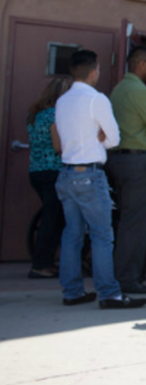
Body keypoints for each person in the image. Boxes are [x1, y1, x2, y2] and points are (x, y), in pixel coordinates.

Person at [54, 49, 145, 309]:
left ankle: (72, 291)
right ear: (94, 71)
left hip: (67, 173)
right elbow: (114, 139)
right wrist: (101, 140)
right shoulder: (97, 100)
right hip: (90, 174)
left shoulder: (62, 101)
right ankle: (109, 293)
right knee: (102, 236)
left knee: (72, 235)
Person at [107, 46, 146, 295]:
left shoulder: (118, 90)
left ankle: (124, 274)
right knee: (137, 224)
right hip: (137, 163)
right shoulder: (141, 92)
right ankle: (128, 278)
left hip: (118, 160)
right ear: (141, 64)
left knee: (125, 223)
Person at [26, 76, 71, 279]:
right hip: (54, 171)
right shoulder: (56, 115)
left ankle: (45, 261)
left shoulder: (35, 114)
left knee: (50, 216)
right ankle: (41, 264)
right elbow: (58, 146)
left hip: (36, 171)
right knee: (52, 219)